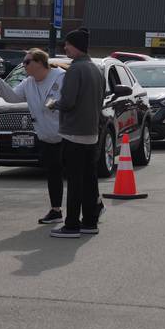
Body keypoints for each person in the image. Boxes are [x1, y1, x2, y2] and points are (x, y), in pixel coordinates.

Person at [0, 49, 67, 224]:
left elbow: (72, 101)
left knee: (77, 174)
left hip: (66, 135)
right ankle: (56, 211)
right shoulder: (28, 82)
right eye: (24, 62)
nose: (24, 65)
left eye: (27, 62)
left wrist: (56, 105)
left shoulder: (60, 77)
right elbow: (12, 97)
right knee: (53, 174)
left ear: (39, 63)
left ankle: (94, 204)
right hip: (46, 136)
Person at [48, 28, 105, 238]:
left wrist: (54, 104)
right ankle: (90, 221)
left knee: (74, 180)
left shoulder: (74, 70)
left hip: (73, 132)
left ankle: (71, 224)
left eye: (68, 44)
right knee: (89, 179)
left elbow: (69, 101)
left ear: (77, 46)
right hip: (91, 130)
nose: (65, 48)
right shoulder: (97, 70)